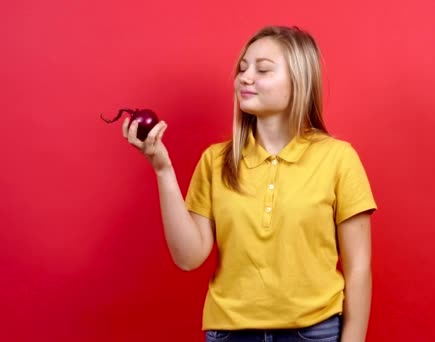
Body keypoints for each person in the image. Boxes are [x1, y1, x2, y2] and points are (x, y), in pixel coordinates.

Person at [121, 25, 377, 342]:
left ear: (300, 82)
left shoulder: (339, 159)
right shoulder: (216, 160)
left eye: (263, 70)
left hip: (314, 333)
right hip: (230, 333)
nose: (245, 77)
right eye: (242, 69)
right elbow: (188, 257)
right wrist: (162, 169)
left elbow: (358, 270)